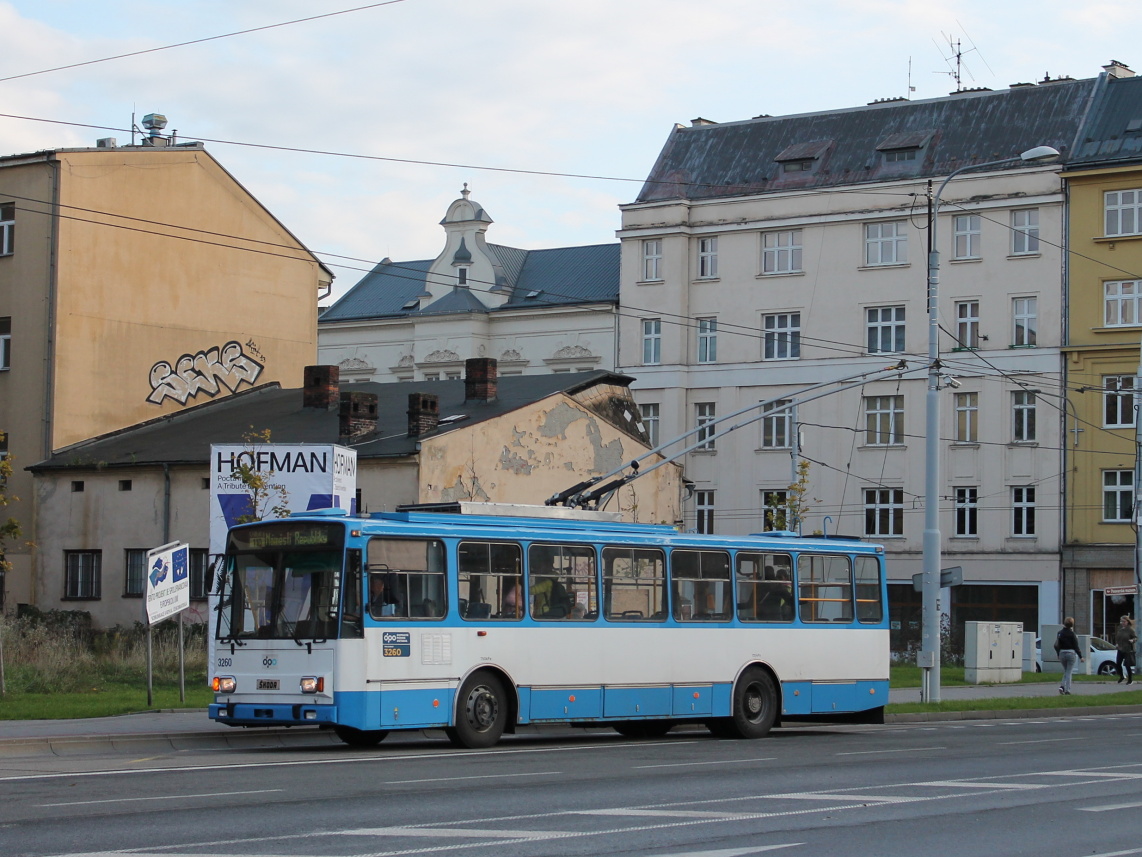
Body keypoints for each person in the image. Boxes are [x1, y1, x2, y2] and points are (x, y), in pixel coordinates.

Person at [1055, 617, 1083, 695]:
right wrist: (1081, 656)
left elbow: (1057, 645)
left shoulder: (1059, 633)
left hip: (1062, 653)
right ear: (1072, 625)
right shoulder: (1072, 634)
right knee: (1069, 672)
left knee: (1066, 671)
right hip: (1071, 653)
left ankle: (1062, 687)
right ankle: (1067, 689)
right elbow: (1076, 646)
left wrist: (1058, 654)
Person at [1115, 615, 1137, 684]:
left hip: (1127, 649)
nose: (1122, 623)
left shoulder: (1130, 630)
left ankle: (1130, 680)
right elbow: (1118, 638)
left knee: (1127, 665)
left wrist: (1132, 640)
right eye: (1121, 621)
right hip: (1120, 649)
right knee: (1118, 664)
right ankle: (1122, 676)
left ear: (1127, 622)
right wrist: (1117, 644)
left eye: (1124, 621)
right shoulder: (1120, 629)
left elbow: (1135, 638)